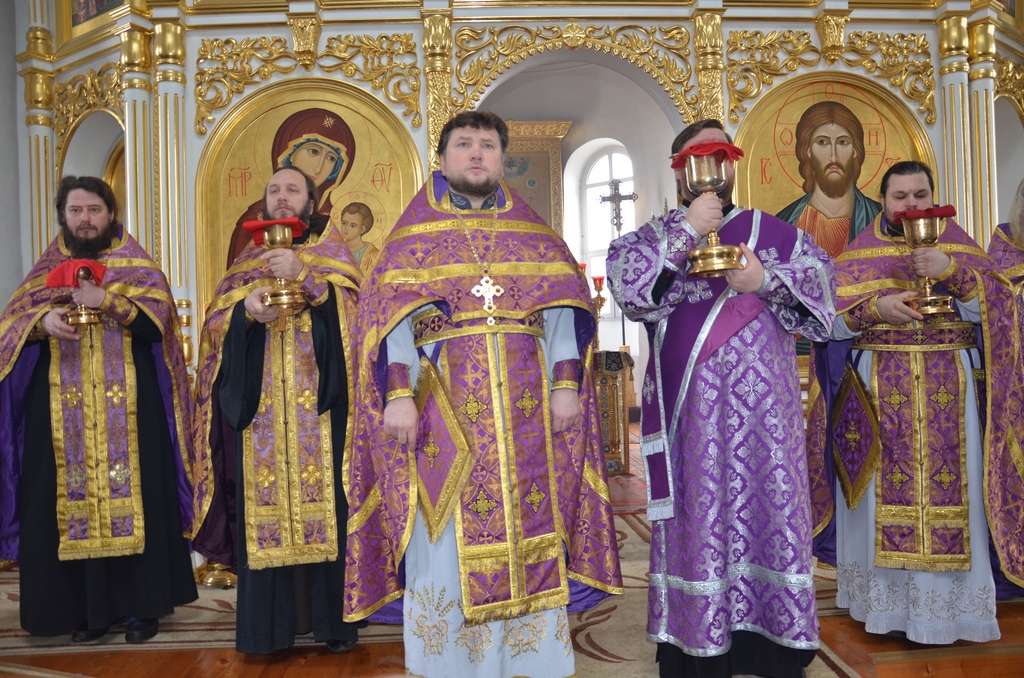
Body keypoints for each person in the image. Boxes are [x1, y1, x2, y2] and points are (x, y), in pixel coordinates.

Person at [344, 110, 622, 678]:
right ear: (443, 158)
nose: (476, 153)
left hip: (527, 421)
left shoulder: (536, 238)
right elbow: (388, 324)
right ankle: (449, 664)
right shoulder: (409, 240)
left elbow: (563, 315)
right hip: (444, 422)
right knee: (443, 541)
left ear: (502, 159)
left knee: (533, 528)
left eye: (488, 145)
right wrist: (397, 396)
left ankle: (527, 663)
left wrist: (566, 387)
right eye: (464, 144)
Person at [607, 118, 835, 678]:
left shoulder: (774, 235)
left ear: (733, 166)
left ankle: (776, 642)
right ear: (678, 171)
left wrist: (763, 281)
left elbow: (823, 297)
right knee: (698, 515)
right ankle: (694, 641)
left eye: (718, 156)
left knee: (769, 511)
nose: (708, 168)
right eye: (694, 158)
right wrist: (687, 230)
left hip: (767, 419)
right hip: (693, 416)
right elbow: (630, 290)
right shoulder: (655, 237)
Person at [815, 160, 1024, 643]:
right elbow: (827, 324)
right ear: (882, 201)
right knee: (876, 500)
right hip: (877, 398)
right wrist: (875, 309)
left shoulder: (960, 248)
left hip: (952, 394)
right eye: (900, 196)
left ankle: (947, 612)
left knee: (958, 491)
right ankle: (884, 609)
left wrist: (952, 272)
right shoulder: (858, 255)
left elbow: (1001, 311)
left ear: (934, 197)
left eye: (920, 195)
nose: (911, 205)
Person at [0, 176, 201, 643]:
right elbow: (11, 327)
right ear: (63, 217)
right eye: (76, 211)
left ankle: (141, 609)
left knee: (140, 498)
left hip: (131, 412)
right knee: (64, 501)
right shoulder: (44, 272)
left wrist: (106, 300)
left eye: (94, 210)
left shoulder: (136, 266)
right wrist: (41, 321)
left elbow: (159, 325)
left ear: (111, 214)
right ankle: (86, 612)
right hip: (59, 415)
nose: (85, 219)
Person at [192, 166, 363, 654]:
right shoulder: (245, 264)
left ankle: (334, 625)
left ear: (312, 201)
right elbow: (213, 331)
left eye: (293, 189)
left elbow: (359, 319)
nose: (282, 197)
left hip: (322, 413)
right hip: (260, 415)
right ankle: (268, 632)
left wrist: (306, 278)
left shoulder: (333, 254)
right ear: (264, 204)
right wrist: (245, 313)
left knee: (330, 508)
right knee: (263, 514)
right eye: (274, 190)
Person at [226, 107, 356, 268]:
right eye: (274, 191)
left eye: (292, 190)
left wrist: (302, 274)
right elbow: (233, 283)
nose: (318, 168)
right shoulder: (251, 236)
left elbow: (349, 284)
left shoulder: (327, 237)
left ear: (310, 205)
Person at [775, 101, 881, 259]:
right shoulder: (785, 223)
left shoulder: (879, 218)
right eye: (822, 142)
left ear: (855, 151)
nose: (834, 156)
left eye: (843, 142)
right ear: (808, 151)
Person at [338, 201, 379, 271]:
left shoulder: (373, 255)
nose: (346, 228)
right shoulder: (334, 250)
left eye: (352, 225)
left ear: (362, 229)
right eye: (344, 223)